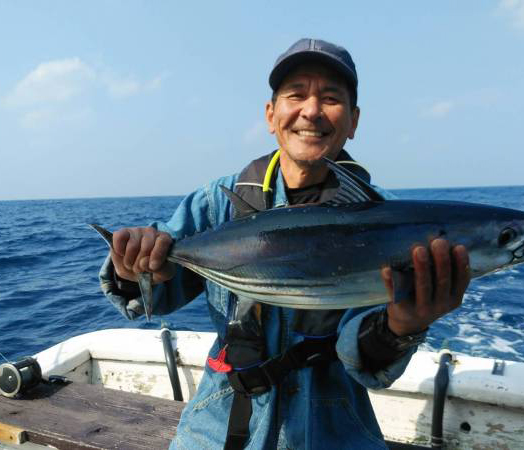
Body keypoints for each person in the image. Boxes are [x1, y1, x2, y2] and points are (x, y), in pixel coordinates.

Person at [99, 38, 470, 449]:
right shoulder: (218, 201)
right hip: (215, 429)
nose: (311, 110)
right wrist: (131, 266)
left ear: (353, 121)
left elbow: (365, 363)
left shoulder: (392, 224)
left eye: (331, 98)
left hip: (331, 432)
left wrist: (403, 325)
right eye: (296, 95)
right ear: (271, 115)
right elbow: (161, 289)